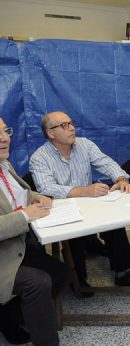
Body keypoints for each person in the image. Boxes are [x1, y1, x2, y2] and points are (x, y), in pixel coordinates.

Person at [29, 111, 130, 295]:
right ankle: (77, 279)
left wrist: (121, 178)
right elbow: (46, 187)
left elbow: (106, 163)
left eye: (71, 123)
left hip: (90, 204)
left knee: (115, 223)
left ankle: (122, 273)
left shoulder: (85, 145)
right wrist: (84, 191)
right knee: (73, 235)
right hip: (63, 208)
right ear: (50, 133)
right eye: (64, 125)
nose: (72, 128)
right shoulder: (39, 158)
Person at [0, 117, 71, 346]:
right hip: (3, 253)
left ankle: (8, 318)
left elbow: (19, 194)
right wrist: (26, 215)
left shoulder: (4, 165)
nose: (4, 139)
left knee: (61, 274)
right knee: (37, 283)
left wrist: (35, 197)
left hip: (14, 246)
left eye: (5, 131)